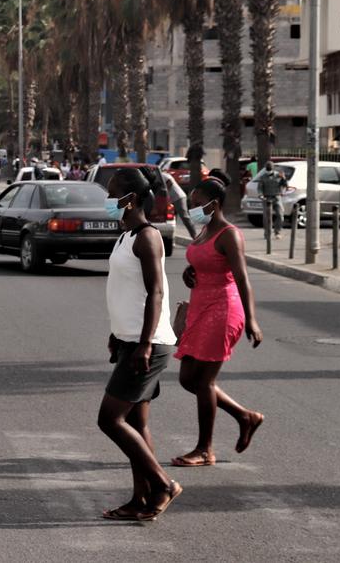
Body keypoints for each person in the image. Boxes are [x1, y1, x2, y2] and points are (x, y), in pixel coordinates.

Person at [98, 167, 183, 521]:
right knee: (136, 422)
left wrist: (145, 344)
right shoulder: (125, 235)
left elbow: (156, 292)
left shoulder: (147, 236)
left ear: (130, 199)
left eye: (112, 194)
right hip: (130, 340)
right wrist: (117, 333)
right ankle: (140, 498)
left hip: (148, 343)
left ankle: (163, 485)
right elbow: (126, 291)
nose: (107, 201)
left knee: (110, 420)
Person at [173, 171, 265, 467]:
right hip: (200, 306)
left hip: (223, 310)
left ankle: (205, 449)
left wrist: (252, 319)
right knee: (189, 378)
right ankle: (245, 416)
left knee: (204, 381)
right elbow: (203, 262)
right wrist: (191, 273)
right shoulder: (204, 231)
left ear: (213, 204)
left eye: (197, 203)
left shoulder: (229, 234)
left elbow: (242, 278)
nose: (192, 207)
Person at [254, 162, 288, 238]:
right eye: (267, 168)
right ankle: (267, 233)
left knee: (280, 215)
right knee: (267, 217)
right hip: (267, 198)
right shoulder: (262, 177)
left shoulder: (278, 175)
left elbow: (285, 185)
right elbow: (260, 188)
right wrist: (261, 195)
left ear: (273, 168)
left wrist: (284, 178)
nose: (268, 170)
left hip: (277, 197)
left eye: (270, 168)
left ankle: (277, 232)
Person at [162, 171, 196, 239]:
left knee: (185, 217)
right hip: (171, 199)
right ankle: (172, 238)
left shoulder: (163, 175)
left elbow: (169, 182)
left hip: (178, 197)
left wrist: (165, 193)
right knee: (172, 220)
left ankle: (195, 236)